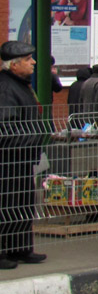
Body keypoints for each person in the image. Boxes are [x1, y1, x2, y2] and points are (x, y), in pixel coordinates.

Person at [0, 41, 47, 267]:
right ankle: (3, 252)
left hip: (22, 158)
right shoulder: (6, 88)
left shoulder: (20, 84)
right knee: (7, 204)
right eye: (28, 59)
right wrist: (36, 136)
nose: (33, 62)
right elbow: (6, 128)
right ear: (14, 64)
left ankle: (20, 248)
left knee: (23, 204)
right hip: (9, 160)